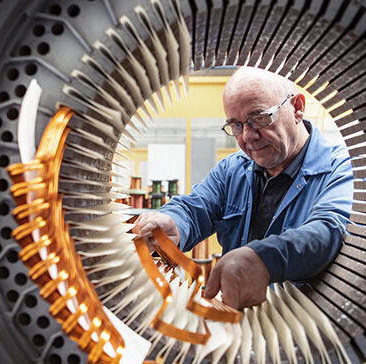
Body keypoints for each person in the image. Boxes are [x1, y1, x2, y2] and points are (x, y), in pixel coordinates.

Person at [132, 66, 353, 310]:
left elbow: (328, 229)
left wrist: (265, 260)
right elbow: (196, 207)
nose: (248, 136)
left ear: (297, 108)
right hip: (236, 322)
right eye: (236, 125)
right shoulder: (233, 170)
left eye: (259, 118)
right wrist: (173, 223)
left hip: (301, 323)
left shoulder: (339, 168)